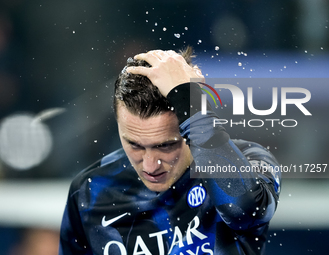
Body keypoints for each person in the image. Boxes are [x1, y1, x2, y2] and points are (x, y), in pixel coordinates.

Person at [59, 47, 281, 255]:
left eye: (165, 145)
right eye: (134, 144)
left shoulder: (250, 160)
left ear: (189, 123)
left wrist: (190, 99)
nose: (150, 166)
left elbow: (243, 210)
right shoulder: (90, 191)